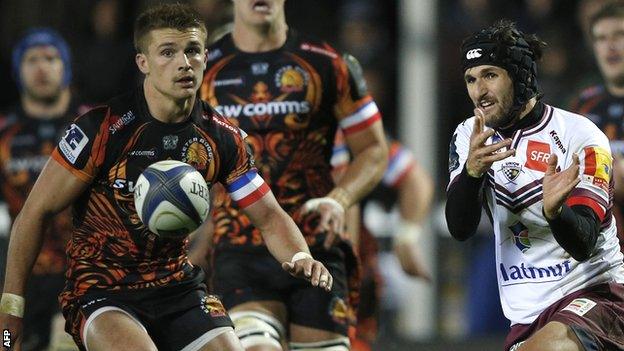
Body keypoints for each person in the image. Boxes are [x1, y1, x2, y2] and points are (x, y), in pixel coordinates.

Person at [0, 4, 333, 351]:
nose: (183, 62)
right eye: (168, 52)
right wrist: (11, 306)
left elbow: (268, 216)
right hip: (102, 290)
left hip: (178, 287)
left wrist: (299, 256)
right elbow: (33, 212)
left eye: (192, 51)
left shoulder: (221, 137)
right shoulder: (102, 129)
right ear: (143, 63)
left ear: (206, 56)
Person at [199, 0, 388, 350]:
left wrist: (339, 200)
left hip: (317, 246)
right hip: (242, 248)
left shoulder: (327, 63)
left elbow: (374, 150)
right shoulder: (202, 70)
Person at [446, 20, 624, 351]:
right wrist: (471, 174)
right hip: (527, 314)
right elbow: (460, 229)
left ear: (521, 77)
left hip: (598, 295)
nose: (478, 91)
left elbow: (584, 242)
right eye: (471, 79)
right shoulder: (469, 135)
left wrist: (555, 213)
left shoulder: (580, 135)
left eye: (490, 75)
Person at [0, 27, 86, 351]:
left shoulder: (93, 125)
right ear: (18, 70)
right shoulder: (4, 133)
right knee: (8, 344)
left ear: (65, 67)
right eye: (32, 59)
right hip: (20, 276)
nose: (41, 67)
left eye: (50, 58)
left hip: (80, 274)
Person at [331, 131, 433, 351]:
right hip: (269, 258)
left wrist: (406, 237)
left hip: (342, 270)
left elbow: (415, 178)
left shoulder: (350, 131)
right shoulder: (248, 133)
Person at [571, 1, 624, 252]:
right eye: (601, 38)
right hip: (601, 251)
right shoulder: (582, 105)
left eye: (619, 35)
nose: (610, 46)